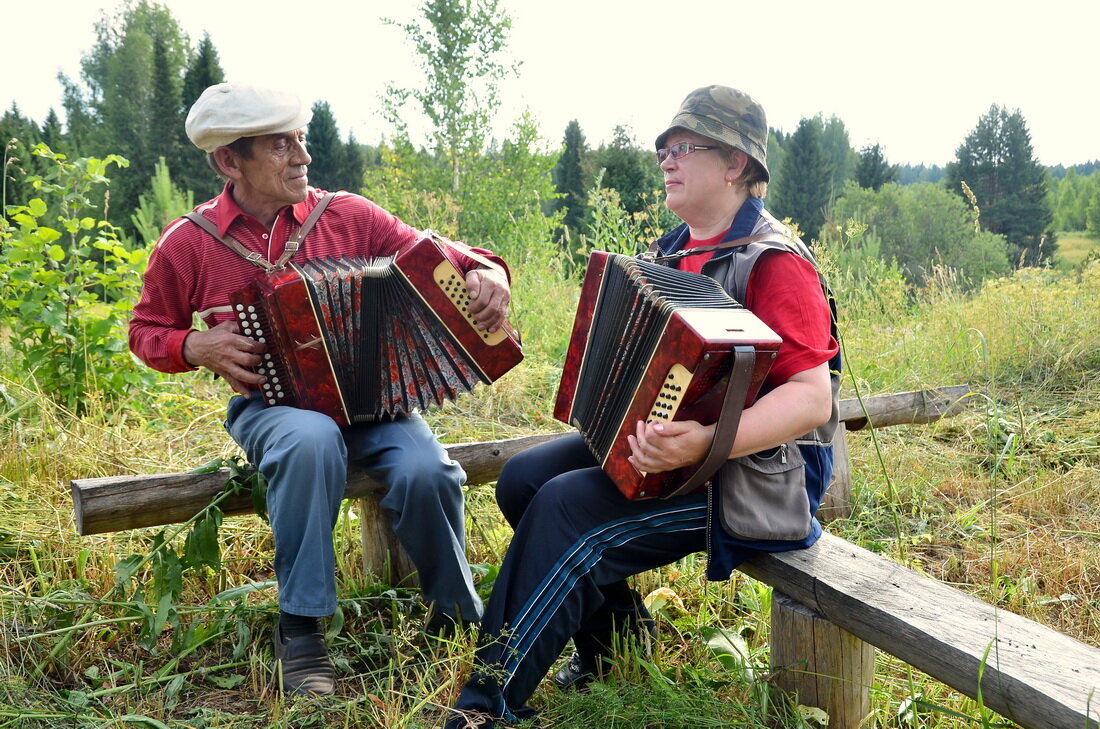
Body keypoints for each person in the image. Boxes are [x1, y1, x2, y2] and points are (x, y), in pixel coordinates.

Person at [444, 85, 841, 728]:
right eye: (664, 148)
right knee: (523, 480)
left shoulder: (774, 262)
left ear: (736, 165)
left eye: (684, 147)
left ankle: (486, 710)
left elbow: (810, 400)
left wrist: (702, 443)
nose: (666, 160)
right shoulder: (675, 249)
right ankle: (614, 646)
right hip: (678, 454)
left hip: (752, 478)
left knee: (568, 510)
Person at [128, 83, 513, 697]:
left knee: (428, 471)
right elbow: (145, 330)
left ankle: (455, 617)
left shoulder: (348, 215)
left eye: (301, 140)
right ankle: (302, 630)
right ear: (230, 160)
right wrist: (193, 346)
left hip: (374, 406)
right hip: (272, 407)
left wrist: (487, 269)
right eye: (281, 145)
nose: (303, 157)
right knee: (310, 440)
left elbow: (442, 255)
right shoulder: (189, 243)